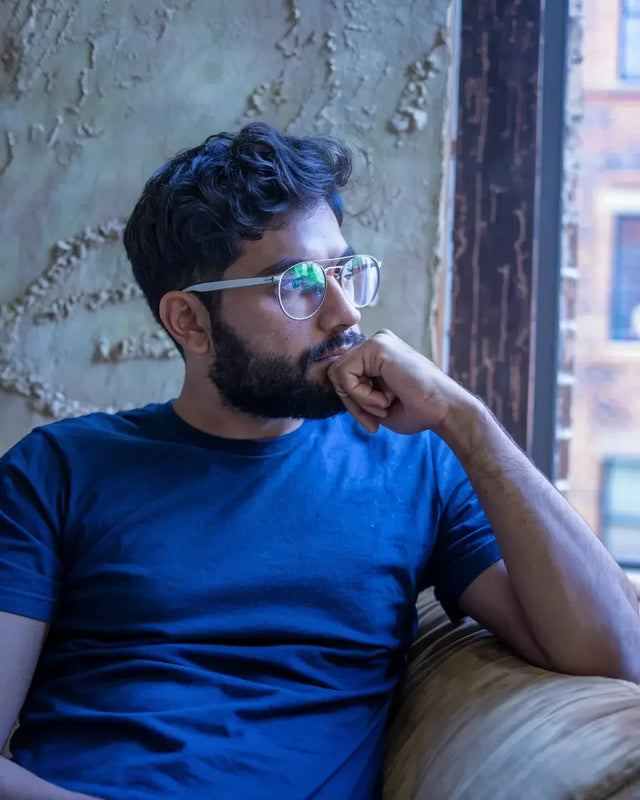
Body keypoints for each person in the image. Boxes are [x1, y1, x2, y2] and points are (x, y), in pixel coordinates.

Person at [0, 122, 638, 800]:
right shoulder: (57, 472)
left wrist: (466, 421)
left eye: (344, 272)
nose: (344, 313)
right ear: (188, 321)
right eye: (297, 284)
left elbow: (614, 652)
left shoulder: (414, 467)